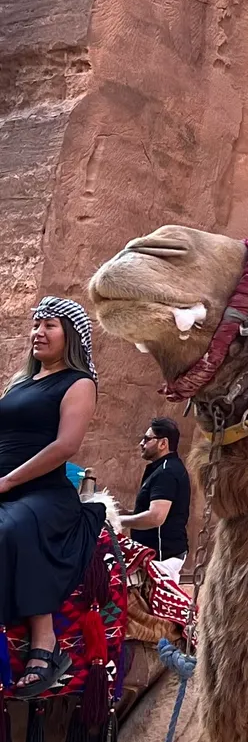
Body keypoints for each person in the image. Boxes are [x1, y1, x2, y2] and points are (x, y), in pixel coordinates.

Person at [0, 298, 104, 697]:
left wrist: (9, 481)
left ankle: (44, 644)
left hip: (43, 492)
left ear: (71, 336)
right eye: (36, 325)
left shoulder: (78, 383)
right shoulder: (20, 383)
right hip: (6, 482)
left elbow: (65, 446)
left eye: (50, 326)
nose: (38, 333)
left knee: (11, 529)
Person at [121, 416, 191, 582]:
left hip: (162, 558)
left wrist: (118, 520)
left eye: (147, 439)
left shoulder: (166, 472)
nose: (141, 443)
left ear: (163, 443)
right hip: (158, 557)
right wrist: (129, 513)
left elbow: (156, 517)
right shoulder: (163, 468)